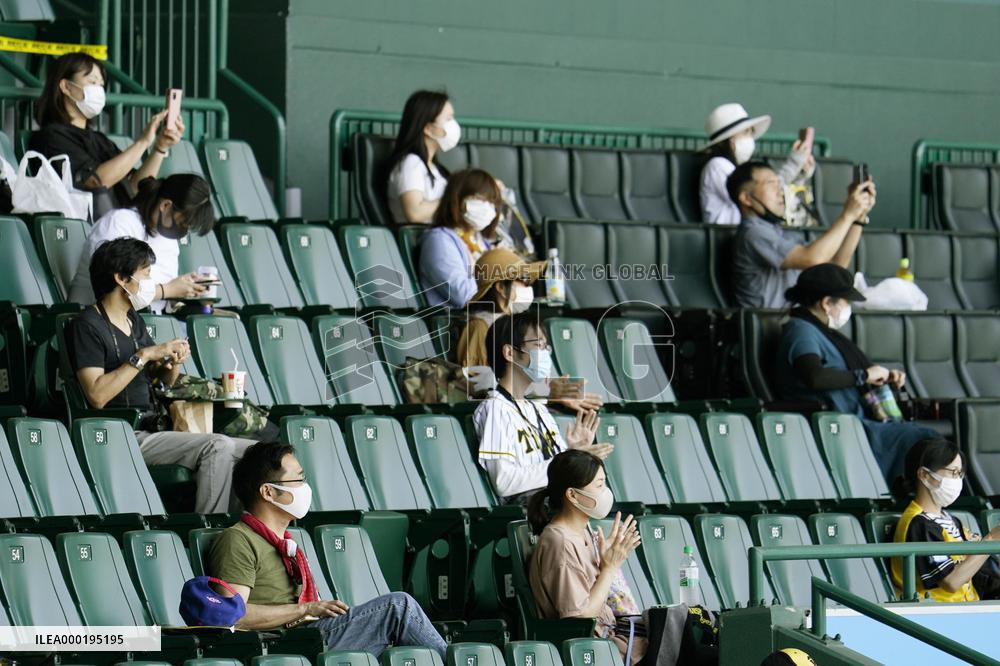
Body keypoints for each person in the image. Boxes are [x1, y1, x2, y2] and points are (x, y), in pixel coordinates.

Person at [207, 441, 447, 658]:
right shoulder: (237, 540)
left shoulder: (288, 543)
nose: (304, 488)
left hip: (311, 633)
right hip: (285, 643)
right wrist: (305, 609)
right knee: (397, 607)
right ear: (268, 492)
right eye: (298, 480)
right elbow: (233, 615)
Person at [68, 237, 255, 514]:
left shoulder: (134, 320)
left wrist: (170, 364)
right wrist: (144, 355)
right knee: (218, 446)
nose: (150, 283)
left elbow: (160, 383)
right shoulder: (87, 325)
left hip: (156, 425)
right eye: (146, 275)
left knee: (257, 454)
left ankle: (247, 533)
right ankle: (210, 531)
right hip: (122, 432)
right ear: (121, 278)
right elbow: (96, 395)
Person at [775, 264, 939, 481]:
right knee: (927, 440)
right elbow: (815, 376)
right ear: (826, 303)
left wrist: (882, 378)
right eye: (845, 302)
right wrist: (864, 376)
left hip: (856, 421)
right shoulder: (801, 332)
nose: (848, 307)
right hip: (841, 426)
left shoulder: (822, 332)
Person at [475, 310, 613, 504]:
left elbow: (553, 469)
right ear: (509, 353)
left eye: (545, 347)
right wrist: (568, 462)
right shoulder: (495, 409)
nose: (545, 353)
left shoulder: (538, 409)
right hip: (533, 513)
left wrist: (572, 451)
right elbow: (503, 481)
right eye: (538, 345)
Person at [527, 450, 644, 664]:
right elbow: (580, 621)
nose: (605, 492)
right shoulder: (559, 542)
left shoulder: (583, 529)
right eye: (599, 486)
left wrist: (606, 562)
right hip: (596, 652)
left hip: (614, 641)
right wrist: (609, 569)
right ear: (572, 495)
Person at [29, 52, 184, 213]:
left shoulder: (100, 139)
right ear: (66, 87)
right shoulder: (52, 137)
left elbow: (135, 187)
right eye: (92, 82)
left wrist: (160, 147)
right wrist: (142, 142)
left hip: (120, 225)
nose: (99, 90)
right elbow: (94, 182)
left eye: (101, 85)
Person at [458, 247, 604, 413]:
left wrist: (554, 392)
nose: (528, 286)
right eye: (523, 280)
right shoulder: (479, 327)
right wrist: (546, 391)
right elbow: (480, 385)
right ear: (500, 287)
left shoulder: (519, 326)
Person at [728, 160, 875, 309]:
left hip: (791, 320)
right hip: (769, 326)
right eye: (771, 184)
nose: (780, 191)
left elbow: (836, 265)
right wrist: (848, 214)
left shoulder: (777, 231)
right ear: (746, 198)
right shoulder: (753, 233)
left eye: (779, 184)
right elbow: (812, 258)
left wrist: (858, 217)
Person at [67, 174, 215, 312]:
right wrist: (168, 289)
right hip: (95, 321)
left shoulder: (169, 242)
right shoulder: (120, 222)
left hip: (142, 326)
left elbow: (162, 302)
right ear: (166, 206)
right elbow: (115, 290)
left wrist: (187, 289)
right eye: (183, 223)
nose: (184, 230)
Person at [891, 438, 1000, 602]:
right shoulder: (920, 524)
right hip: (936, 615)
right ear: (924, 475)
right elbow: (950, 581)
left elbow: (982, 570)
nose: (958, 480)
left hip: (970, 609)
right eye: (953, 473)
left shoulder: (951, 520)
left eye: (960, 474)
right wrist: (990, 540)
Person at [699, 103, 815, 227]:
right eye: (746, 132)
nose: (751, 138)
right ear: (730, 140)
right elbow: (759, 195)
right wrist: (793, 165)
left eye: (751, 132)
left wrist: (798, 177)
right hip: (728, 237)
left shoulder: (739, 166)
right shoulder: (717, 166)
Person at [418, 169, 503, 308]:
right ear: (456, 199)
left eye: (491, 202)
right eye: (480, 199)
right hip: (461, 324)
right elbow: (466, 297)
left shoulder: (481, 241)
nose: (487, 207)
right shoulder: (439, 240)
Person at [386, 90, 458, 224]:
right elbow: (415, 213)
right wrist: (453, 199)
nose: (454, 124)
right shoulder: (411, 164)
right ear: (428, 128)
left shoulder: (436, 169)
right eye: (448, 119)